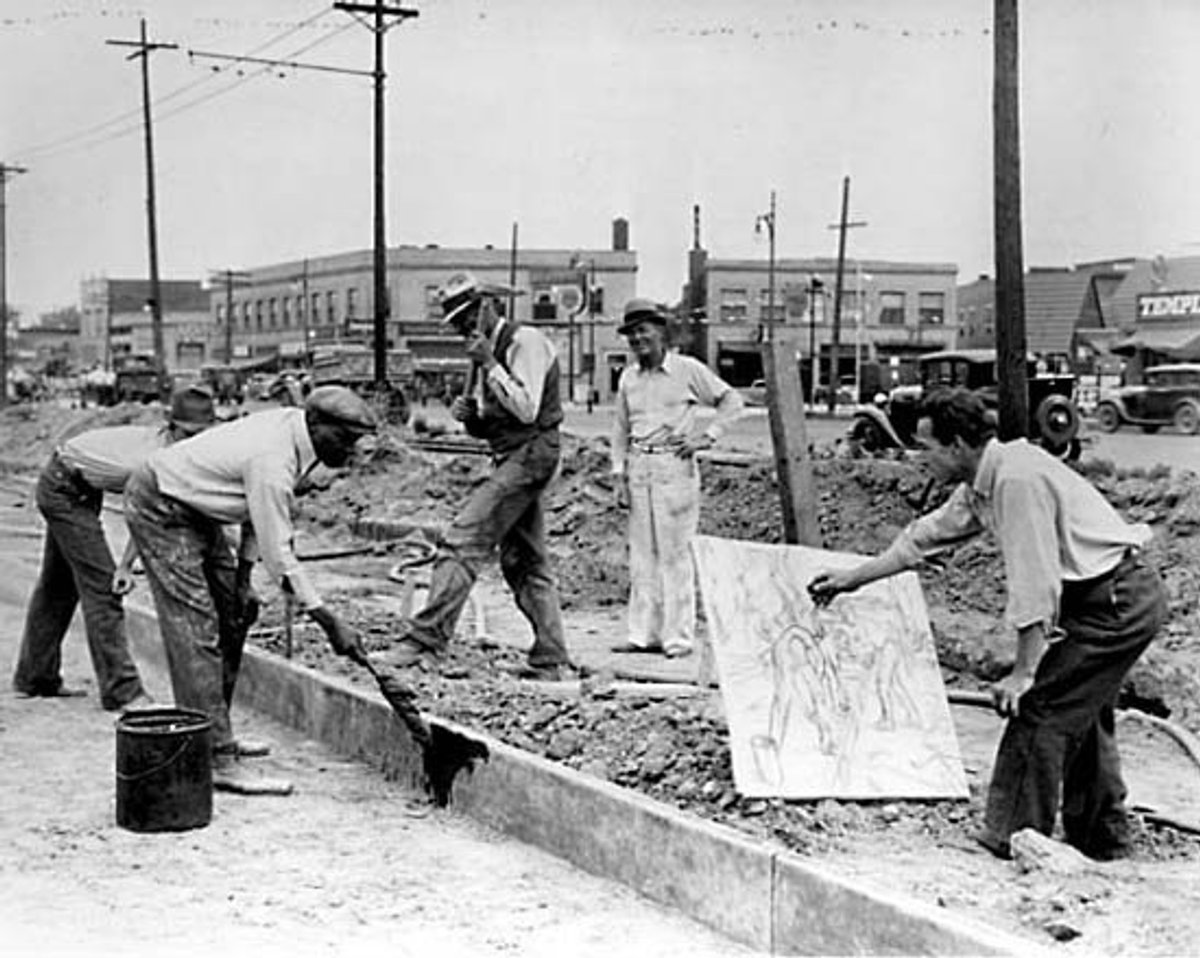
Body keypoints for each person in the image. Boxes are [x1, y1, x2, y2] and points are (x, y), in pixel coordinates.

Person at [808, 388, 1166, 861]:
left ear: (957, 444)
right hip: (1107, 594)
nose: (921, 458)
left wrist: (1023, 672)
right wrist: (852, 579)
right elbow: (925, 537)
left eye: (927, 447)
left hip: (1116, 600)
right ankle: (1103, 837)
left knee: (1040, 708)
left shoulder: (1015, 481)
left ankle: (1012, 837)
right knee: (1082, 709)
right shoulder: (987, 477)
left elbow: (1036, 587)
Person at [123, 385, 376, 794]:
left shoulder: (296, 438)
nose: (349, 451)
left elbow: (255, 513)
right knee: (196, 630)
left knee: (238, 613)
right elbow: (279, 554)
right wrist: (330, 623)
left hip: (198, 506)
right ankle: (215, 757)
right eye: (345, 439)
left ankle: (213, 731)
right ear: (316, 423)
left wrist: (241, 582)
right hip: (161, 505)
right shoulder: (273, 458)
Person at [383, 271, 574, 681]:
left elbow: (527, 409)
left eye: (467, 319)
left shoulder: (525, 342)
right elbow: (500, 423)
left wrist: (489, 363)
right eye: (456, 324)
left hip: (533, 453)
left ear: (487, 306)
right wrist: (475, 422)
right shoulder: (484, 351)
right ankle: (552, 658)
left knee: (464, 539)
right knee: (525, 560)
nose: (462, 330)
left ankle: (425, 641)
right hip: (513, 454)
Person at [12, 385, 217, 711]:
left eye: (202, 434)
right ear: (171, 424)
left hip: (78, 484)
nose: (194, 441)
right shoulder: (154, 460)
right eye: (188, 433)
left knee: (58, 586)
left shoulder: (176, 452)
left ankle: (34, 677)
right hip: (64, 489)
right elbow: (143, 519)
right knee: (104, 590)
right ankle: (122, 691)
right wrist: (122, 568)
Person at [609, 298, 744, 659]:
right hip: (640, 467)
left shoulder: (687, 370)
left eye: (644, 330)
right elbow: (620, 428)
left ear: (661, 332)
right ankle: (642, 634)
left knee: (676, 556)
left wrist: (707, 436)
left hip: (675, 470)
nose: (638, 339)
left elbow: (732, 401)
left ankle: (678, 638)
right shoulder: (628, 378)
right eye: (631, 333)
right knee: (642, 556)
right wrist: (619, 473)